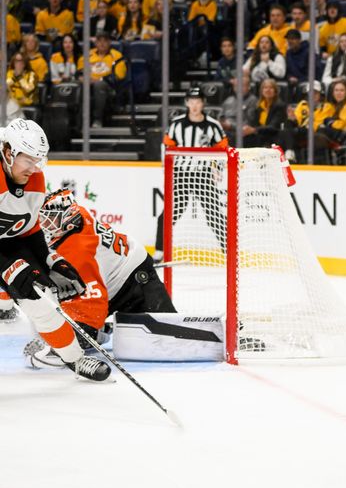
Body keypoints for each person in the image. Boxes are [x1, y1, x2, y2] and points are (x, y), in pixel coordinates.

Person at [0, 119, 110, 381]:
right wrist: (11, 268)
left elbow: (27, 229)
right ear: (8, 153)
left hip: (6, 242)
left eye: (38, 160)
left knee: (42, 302)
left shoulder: (34, 180)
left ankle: (75, 359)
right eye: (28, 160)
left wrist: (51, 260)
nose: (34, 168)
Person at [22, 189, 177, 367]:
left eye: (49, 220)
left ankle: (98, 331)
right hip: (112, 276)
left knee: (168, 336)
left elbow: (93, 304)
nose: (44, 225)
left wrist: (82, 334)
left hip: (135, 279)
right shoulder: (76, 214)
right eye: (42, 219)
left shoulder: (78, 251)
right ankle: (102, 330)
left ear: (67, 220)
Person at [154, 87, 229, 262]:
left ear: (203, 103)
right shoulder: (177, 124)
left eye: (198, 101)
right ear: (187, 103)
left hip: (202, 175)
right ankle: (160, 250)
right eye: (191, 101)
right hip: (181, 175)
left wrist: (218, 169)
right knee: (168, 214)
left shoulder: (213, 125)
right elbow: (166, 147)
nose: (195, 105)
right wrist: (167, 169)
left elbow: (222, 148)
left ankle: (228, 251)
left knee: (214, 214)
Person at [77, 30, 127, 128]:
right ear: (95, 43)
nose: (102, 43)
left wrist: (100, 79)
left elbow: (118, 77)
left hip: (108, 87)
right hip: (88, 84)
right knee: (77, 85)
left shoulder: (116, 56)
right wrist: (81, 78)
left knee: (99, 85)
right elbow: (79, 72)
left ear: (109, 43)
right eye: (99, 41)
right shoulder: (88, 55)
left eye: (105, 41)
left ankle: (97, 119)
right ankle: (78, 121)